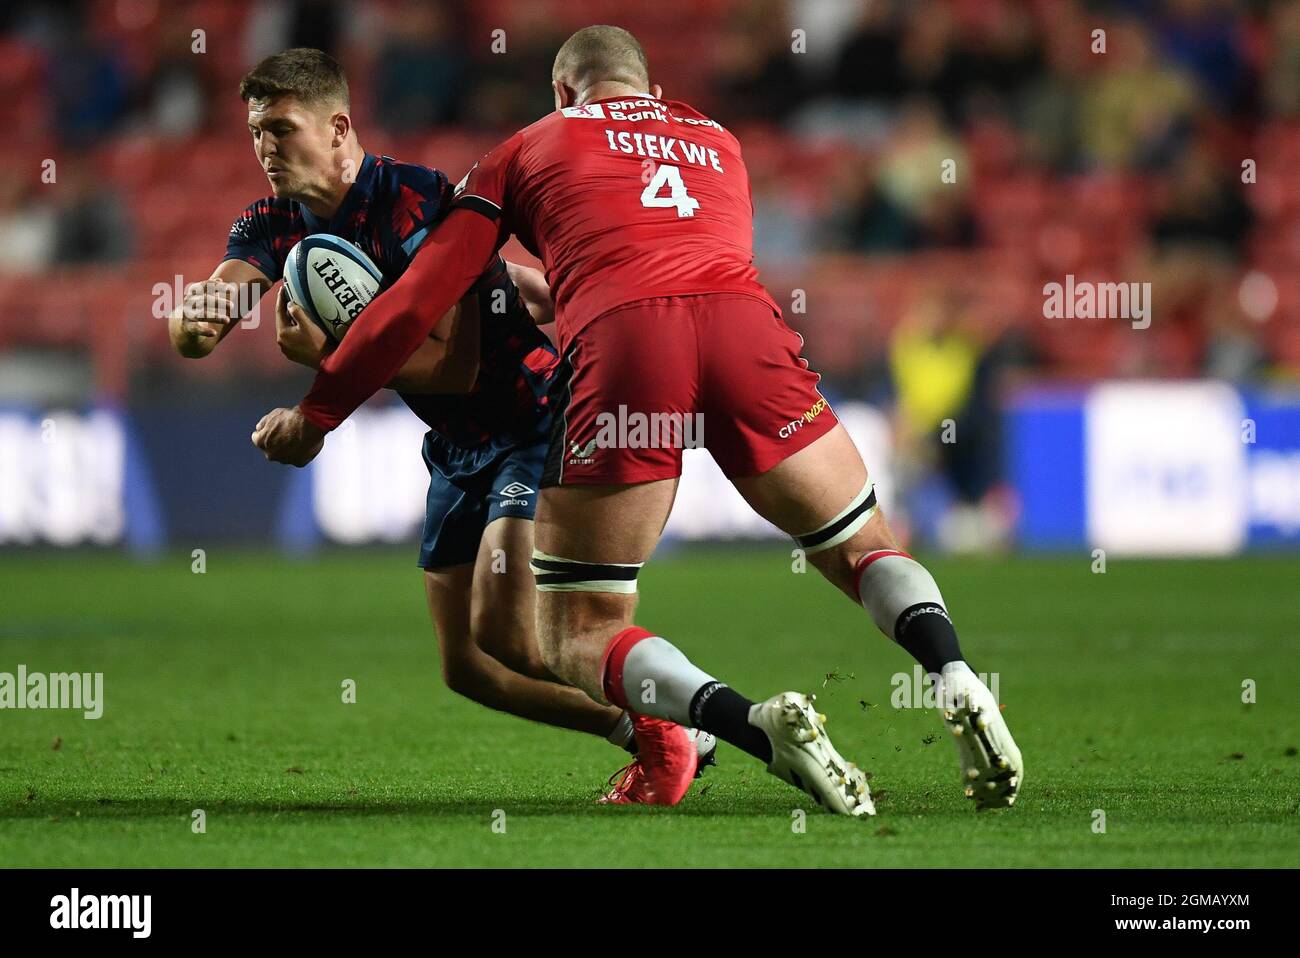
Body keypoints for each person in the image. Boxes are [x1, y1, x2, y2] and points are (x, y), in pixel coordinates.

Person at [252, 28, 1022, 815]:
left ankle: (747, 725)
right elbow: (673, 244)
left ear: (561, 94)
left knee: (579, 627)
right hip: (743, 328)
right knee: (861, 543)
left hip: (626, 345)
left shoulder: (526, 147)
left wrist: (319, 409)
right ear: (650, 92)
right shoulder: (719, 140)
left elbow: (417, 299)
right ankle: (954, 674)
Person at [169, 47, 714, 791]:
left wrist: (326, 370)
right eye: (256, 131)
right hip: (455, 446)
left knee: (507, 630)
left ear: (337, 127)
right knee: (467, 668)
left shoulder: (415, 199)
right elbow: (209, 312)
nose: (266, 147)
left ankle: (680, 721)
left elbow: (454, 365)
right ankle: (643, 727)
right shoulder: (271, 222)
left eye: (282, 129)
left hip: (531, 417)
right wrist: (200, 316)